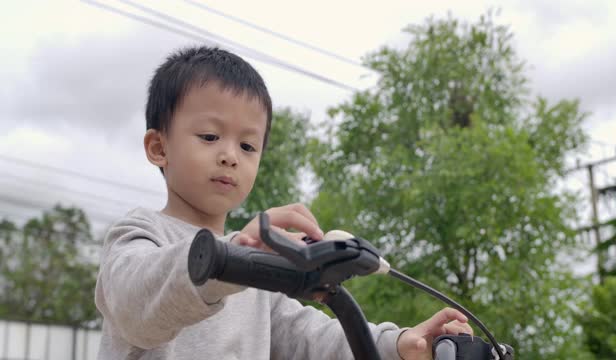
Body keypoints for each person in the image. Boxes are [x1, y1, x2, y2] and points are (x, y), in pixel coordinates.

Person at [95, 45, 472, 360]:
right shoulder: (138, 236)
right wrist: (230, 256)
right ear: (159, 148)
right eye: (210, 136)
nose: (230, 156)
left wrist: (400, 344)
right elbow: (134, 305)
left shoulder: (257, 280)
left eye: (247, 145)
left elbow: (314, 338)